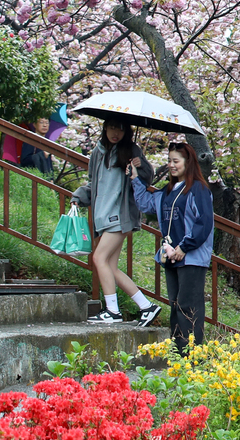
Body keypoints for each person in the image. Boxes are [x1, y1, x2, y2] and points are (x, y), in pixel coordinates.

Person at [71, 117, 160, 326]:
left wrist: (141, 167)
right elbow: (93, 183)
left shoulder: (131, 151)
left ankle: (112, 311)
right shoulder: (97, 152)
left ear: (125, 131)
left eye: (120, 129)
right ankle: (147, 307)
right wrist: (78, 197)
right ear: (105, 128)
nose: (115, 133)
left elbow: (147, 178)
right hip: (103, 216)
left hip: (120, 216)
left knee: (99, 258)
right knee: (110, 266)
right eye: (112, 127)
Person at [127, 142, 214, 353]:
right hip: (171, 256)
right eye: (170, 161)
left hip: (190, 257)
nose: (172, 165)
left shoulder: (198, 190)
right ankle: (178, 352)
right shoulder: (167, 192)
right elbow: (146, 204)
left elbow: (204, 222)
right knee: (175, 304)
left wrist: (184, 246)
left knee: (189, 305)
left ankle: (192, 355)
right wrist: (135, 179)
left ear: (188, 162)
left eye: (176, 161)